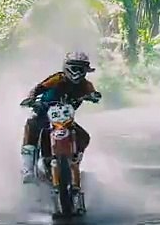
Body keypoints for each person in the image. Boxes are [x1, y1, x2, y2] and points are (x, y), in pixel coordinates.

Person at [19, 51, 101, 185]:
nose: (78, 72)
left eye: (81, 69)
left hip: (65, 121)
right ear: (67, 67)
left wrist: (94, 96)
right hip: (44, 114)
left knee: (84, 136)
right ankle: (27, 168)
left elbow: (93, 93)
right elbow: (39, 88)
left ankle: (75, 158)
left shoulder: (86, 85)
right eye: (75, 68)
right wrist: (31, 98)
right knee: (32, 125)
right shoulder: (57, 78)